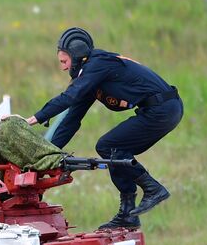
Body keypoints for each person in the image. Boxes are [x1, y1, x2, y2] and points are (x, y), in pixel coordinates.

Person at [27, 27, 182, 230]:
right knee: (115, 150)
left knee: (109, 146)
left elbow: (70, 96)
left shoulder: (98, 65)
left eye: (64, 62)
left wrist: (33, 119)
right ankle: (128, 214)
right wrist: (43, 155)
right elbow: (71, 121)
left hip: (163, 109)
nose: (63, 68)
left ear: (78, 57)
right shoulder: (92, 78)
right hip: (159, 110)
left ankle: (152, 188)